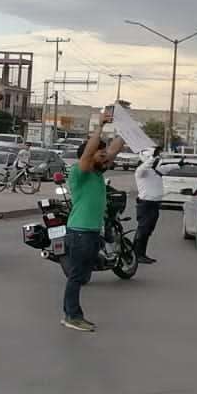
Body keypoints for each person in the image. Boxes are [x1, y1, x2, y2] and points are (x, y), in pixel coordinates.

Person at [62, 119, 125, 333]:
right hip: (80, 233)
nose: (105, 156)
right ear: (88, 156)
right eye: (101, 153)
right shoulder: (80, 173)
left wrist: (126, 130)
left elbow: (114, 150)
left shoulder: (97, 173)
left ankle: (70, 314)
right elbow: (89, 153)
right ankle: (72, 316)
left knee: (80, 275)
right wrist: (99, 127)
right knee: (77, 276)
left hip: (89, 233)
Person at [132, 148, 162, 265]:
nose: (156, 161)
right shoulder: (141, 171)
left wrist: (179, 164)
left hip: (154, 204)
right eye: (155, 158)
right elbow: (145, 166)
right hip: (145, 204)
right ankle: (136, 254)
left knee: (148, 230)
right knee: (143, 229)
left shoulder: (154, 171)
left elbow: (165, 168)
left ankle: (142, 254)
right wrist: (152, 158)